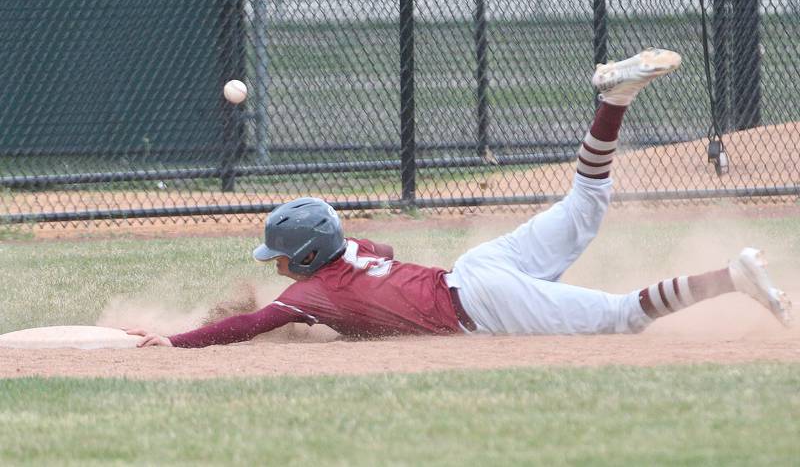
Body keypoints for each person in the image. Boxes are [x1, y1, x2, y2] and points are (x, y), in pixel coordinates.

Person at [128, 48, 792, 348]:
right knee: (586, 207)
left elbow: (248, 324)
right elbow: (374, 260)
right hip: (475, 269)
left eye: (279, 256)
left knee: (620, 318)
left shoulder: (309, 292)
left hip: (482, 303)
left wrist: (178, 341)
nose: (273, 265)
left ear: (305, 258)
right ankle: (610, 103)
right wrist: (334, 315)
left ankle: (729, 276)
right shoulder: (351, 253)